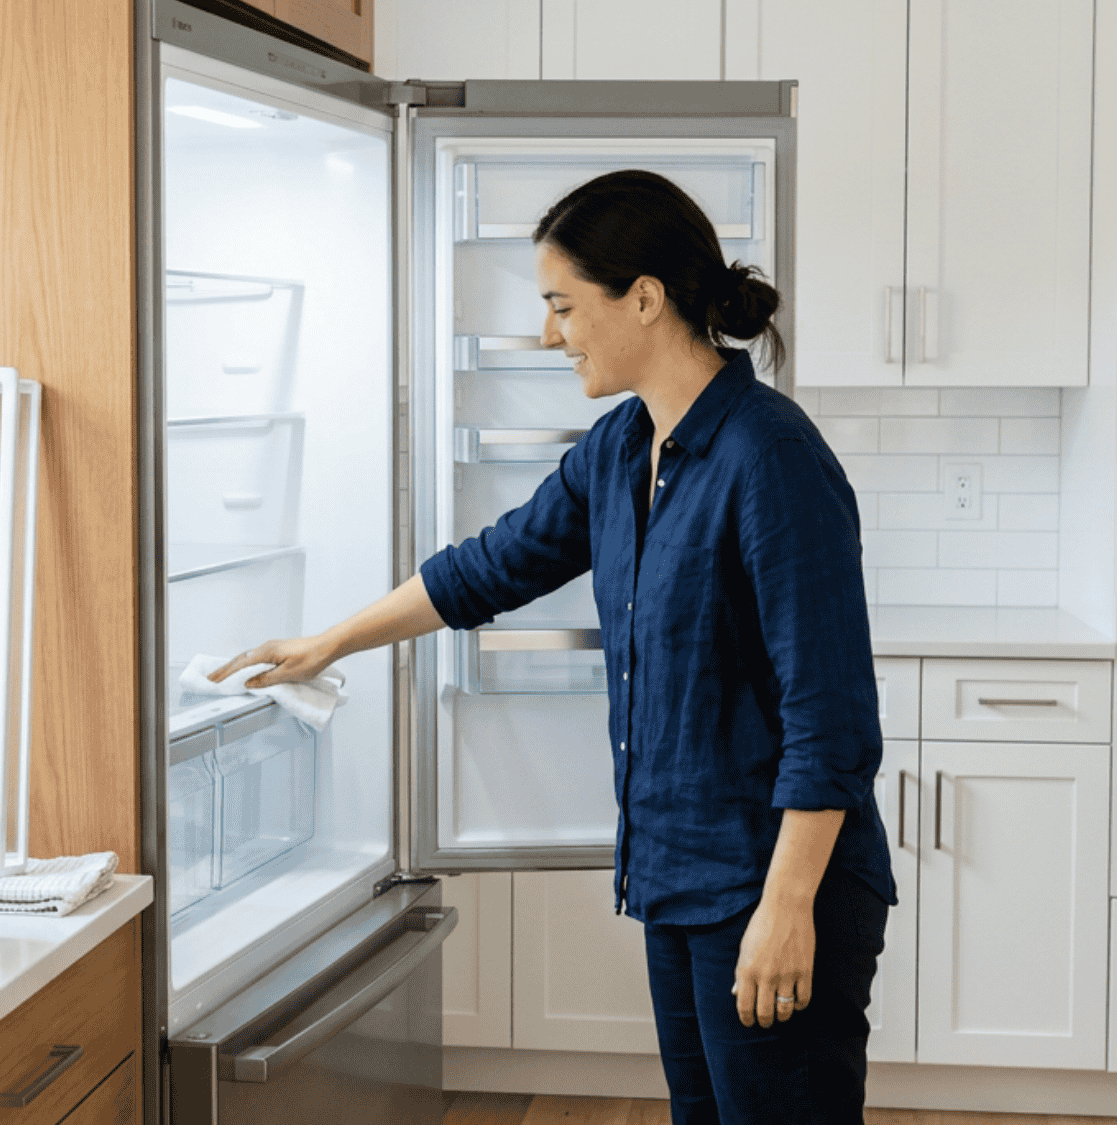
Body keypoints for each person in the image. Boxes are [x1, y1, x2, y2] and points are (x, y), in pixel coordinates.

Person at [210, 169, 894, 1124]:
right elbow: (491, 566)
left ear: (644, 299)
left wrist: (787, 911)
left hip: (776, 885)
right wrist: (333, 641)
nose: (548, 333)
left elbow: (832, 718)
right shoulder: (622, 448)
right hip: (680, 876)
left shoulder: (768, 458)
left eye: (564, 305)